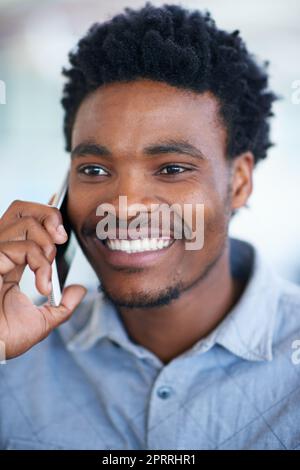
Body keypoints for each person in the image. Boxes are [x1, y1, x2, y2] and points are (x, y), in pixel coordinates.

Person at [0, 2, 299, 450]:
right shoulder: (15, 356)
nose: (125, 207)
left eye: (173, 169)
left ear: (238, 184)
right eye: (95, 170)